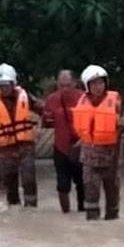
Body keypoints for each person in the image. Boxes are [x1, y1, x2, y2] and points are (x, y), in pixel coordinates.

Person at [73, 64, 124, 220]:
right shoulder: (82, 102)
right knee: (91, 194)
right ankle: (92, 230)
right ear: (87, 86)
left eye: (101, 82)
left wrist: (123, 125)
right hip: (90, 158)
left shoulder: (115, 102)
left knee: (112, 194)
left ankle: (112, 221)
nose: (98, 87)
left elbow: (122, 127)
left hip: (110, 158)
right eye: (94, 83)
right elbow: (83, 130)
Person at [0, 63, 45, 207]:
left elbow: (43, 111)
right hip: (6, 147)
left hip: (25, 145)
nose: (3, 89)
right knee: (9, 179)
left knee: (28, 177)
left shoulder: (26, 97)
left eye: (5, 85)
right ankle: (14, 208)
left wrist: (40, 129)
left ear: (13, 83)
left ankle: (31, 208)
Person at [43, 69, 85, 213]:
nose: (64, 89)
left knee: (83, 183)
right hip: (61, 148)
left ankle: (83, 213)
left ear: (75, 83)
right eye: (61, 85)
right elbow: (47, 121)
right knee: (62, 184)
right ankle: (65, 215)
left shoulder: (84, 98)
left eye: (67, 85)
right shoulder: (52, 99)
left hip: (80, 146)